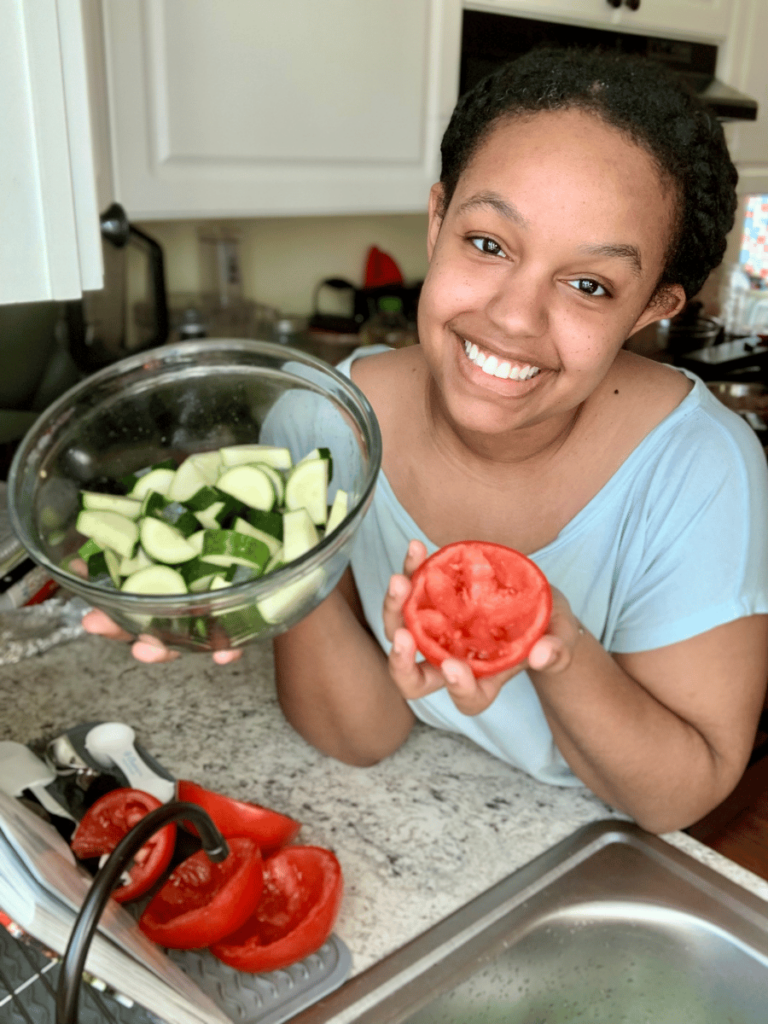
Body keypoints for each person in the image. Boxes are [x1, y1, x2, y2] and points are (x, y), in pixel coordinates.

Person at [85, 48, 768, 835]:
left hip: (580, 843)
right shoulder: (323, 422)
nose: (514, 317)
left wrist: (552, 645)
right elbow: (362, 736)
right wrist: (270, 571)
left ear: (652, 306)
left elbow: (675, 796)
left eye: (589, 285)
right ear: (439, 218)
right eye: (488, 243)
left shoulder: (700, 471)